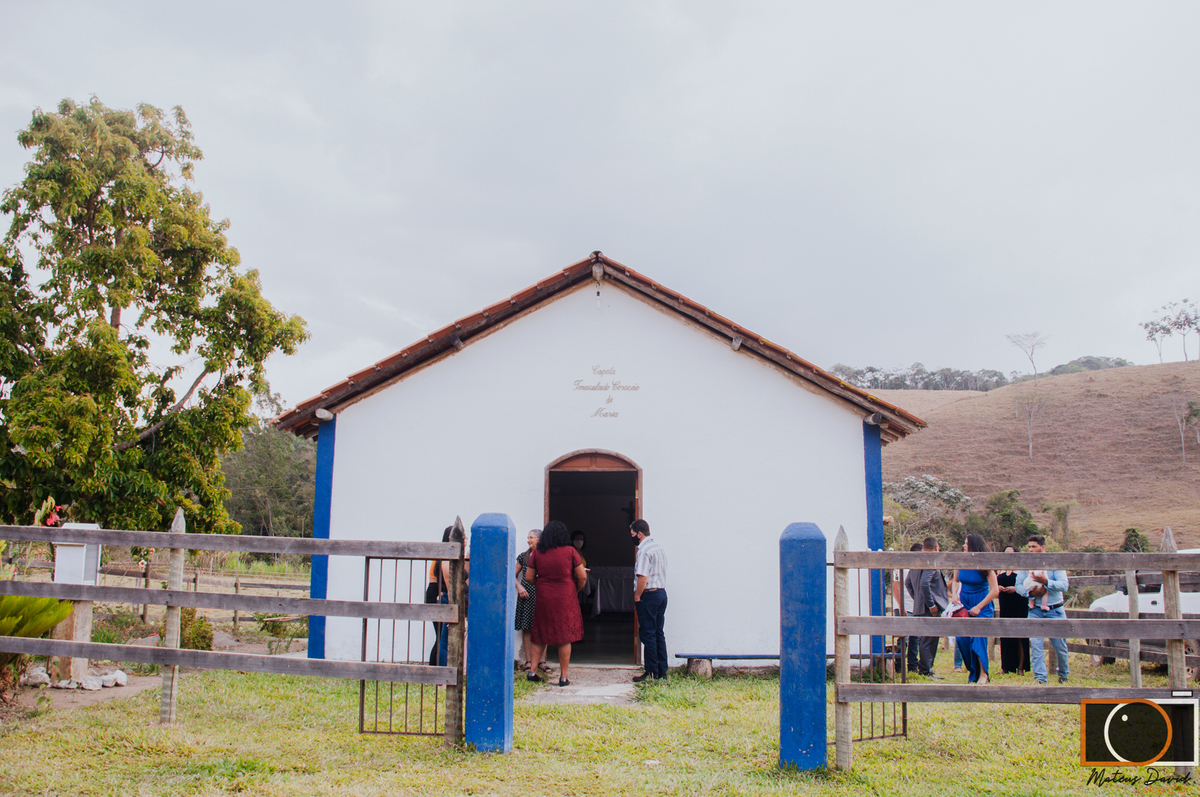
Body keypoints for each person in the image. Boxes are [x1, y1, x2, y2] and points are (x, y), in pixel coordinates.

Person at [526, 520, 587, 686]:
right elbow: (582, 576)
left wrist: (543, 584)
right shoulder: (570, 551)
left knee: (539, 634)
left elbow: (529, 577)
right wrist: (575, 589)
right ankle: (563, 676)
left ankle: (532, 671)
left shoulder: (538, 553)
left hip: (544, 596)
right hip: (566, 595)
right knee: (564, 635)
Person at [1016, 534, 1069, 684]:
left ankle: (1063, 674)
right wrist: (1030, 593)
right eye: (1029, 547)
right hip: (1035, 610)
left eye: (1034, 547)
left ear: (1043, 548)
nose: (1031, 550)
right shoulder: (1026, 565)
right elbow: (1019, 585)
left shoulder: (1054, 563)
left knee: (1060, 646)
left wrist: (1046, 582)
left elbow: (1064, 585)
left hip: (1055, 609)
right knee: (1036, 644)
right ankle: (1040, 677)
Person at [950, 534, 1000, 684]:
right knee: (962, 638)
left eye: (966, 544)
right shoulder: (960, 561)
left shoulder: (985, 565)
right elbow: (955, 580)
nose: (964, 546)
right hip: (965, 603)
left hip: (981, 604)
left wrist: (979, 606)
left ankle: (984, 673)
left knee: (978, 637)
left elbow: (995, 589)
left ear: (974, 546)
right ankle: (973, 671)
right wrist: (954, 594)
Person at [632, 518, 669, 682]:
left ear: (639, 534)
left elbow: (642, 577)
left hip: (649, 595)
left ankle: (651, 671)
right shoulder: (658, 548)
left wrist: (637, 596)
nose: (632, 537)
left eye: (632, 534)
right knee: (658, 633)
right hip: (661, 593)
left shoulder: (644, 550)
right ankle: (662, 671)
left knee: (648, 634)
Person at [905, 537, 948, 678]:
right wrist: (931, 604)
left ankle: (925, 668)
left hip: (919, 607)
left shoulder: (916, 563)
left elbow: (908, 583)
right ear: (937, 547)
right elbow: (925, 584)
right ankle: (926, 670)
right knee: (929, 640)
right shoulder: (930, 562)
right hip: (929, 609)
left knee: (924, 639)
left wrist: (917, 598)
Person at [515, 529, 549, 674]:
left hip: (542, 595)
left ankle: (542, 661)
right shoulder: (523, 556)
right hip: (527, 596)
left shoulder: (547, 555)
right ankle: (529, 661)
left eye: (532, 538)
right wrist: (520, 587)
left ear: (540, 539)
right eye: (528, 537)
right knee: (527, 627)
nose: (529, 540)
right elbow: (512, 575)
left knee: (543, 627)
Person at [997, 546, 1031, 675]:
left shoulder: (1022, 569)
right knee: (1005, 634)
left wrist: (1015, 589)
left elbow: (1027, 585)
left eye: (1010, 553)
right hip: (1004, 603)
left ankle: (1021, 667)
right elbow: (992, 583)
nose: (1007, 555)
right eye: (1005, 552)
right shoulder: (1001, 569)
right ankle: (1005, 666)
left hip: (1019, 602)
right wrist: (998, 588)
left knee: (1020, 635)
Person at [891, 543, 923, 674]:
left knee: (915, 638)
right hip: (903, 606)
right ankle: (899, 665)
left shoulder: (920, 568)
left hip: (915, 607)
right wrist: (901, 605)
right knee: (903, 638)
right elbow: (896, 586)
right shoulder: (901, 567)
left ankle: (912, 666)